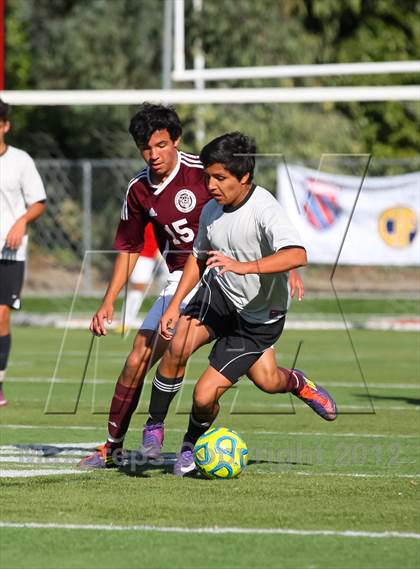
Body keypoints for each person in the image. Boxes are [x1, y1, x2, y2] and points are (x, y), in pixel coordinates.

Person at [79, 105, 304, 469]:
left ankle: (183, 435)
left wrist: (285, 270)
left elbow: (260, 220)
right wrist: (108, 301)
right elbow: (130, 248)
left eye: (161, 145)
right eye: (145, 148)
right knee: (140, 357)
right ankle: (113, 447)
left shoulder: (207, 171)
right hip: (183, 278)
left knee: (264, 378)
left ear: (176, 140)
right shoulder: (139, 189)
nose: (153, 155)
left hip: (231, 281)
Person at [154, 132, 337, 476]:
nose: (210, 185)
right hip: (221, 297)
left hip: (257, 318)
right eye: (207, 176)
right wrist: (175, 304)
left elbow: (297, 254)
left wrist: (247, 267)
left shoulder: (265, 208)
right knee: (177, 343)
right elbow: (197, 258)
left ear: (245, 177)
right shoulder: (211, 210)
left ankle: (296, 384)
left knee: (242, 387)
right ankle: (158, 429)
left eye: (219, 178)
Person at [0, 99, 47, 406]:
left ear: (5, 126)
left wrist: (20, 222)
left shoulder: (20, 161)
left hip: (9, 251)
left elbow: (38, 202)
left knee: (1, 315)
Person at [115, 222, 162, 334]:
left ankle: (127, 321)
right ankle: (125, 322)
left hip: (153, 257)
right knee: (137, 288)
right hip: (143, 256)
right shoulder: (145, 216)